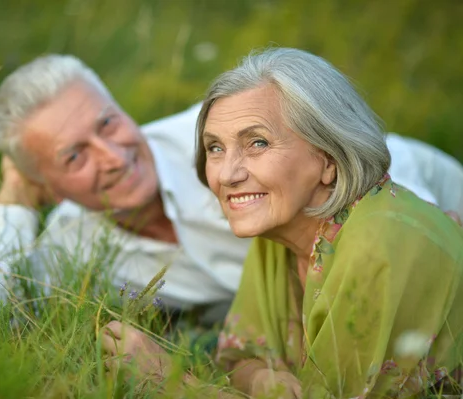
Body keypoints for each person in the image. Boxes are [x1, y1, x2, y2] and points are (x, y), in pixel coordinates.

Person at [0, 54, 463, 321]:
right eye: (75, 155)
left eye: (108, 123)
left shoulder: (225, 133)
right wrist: (15, 202)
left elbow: (394, 203)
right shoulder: (73, 244)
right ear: (52, 187)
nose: (113, 156)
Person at [100, 48, 463, 398]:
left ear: (328, 160)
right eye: (215, 148)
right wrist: (259, 379)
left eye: (257, 143)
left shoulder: (379, 243)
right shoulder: (281, 232)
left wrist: (174, 385)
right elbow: (238, 357)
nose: (227, 174)